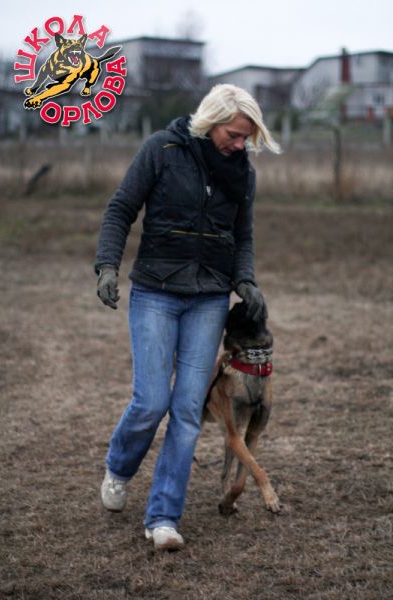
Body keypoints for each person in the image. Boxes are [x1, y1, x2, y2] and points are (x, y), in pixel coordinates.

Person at [95, 84, 280, 551]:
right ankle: (119, 466)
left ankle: (163, 517)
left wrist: (245, 281)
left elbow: (243, 237)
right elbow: (121, 209)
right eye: (234, 134)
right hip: (155, 292)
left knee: (187, 410)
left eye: (246, 137)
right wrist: (107, 265)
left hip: (209, 300)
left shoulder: (243, 173)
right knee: (151, 401)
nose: (240, 144)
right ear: (211, 121)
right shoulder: (162, 150)